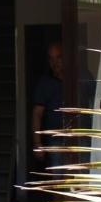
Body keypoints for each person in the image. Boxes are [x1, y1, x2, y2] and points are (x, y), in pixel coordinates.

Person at [31, 41, 65, 170]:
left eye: (58, 57)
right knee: (58, 177)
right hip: (55, 140)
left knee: (81, 177)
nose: (55, 62)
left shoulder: (79, 78)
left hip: (79, 138)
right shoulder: (44, 83)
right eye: (51, 59)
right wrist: (37, 143)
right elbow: (37, 114)